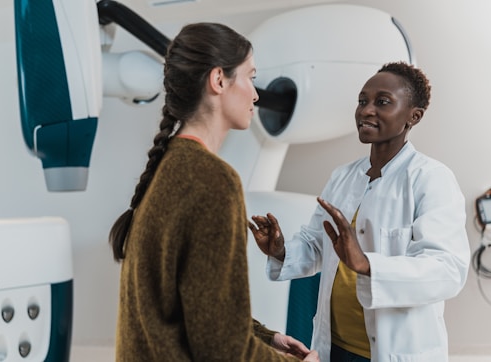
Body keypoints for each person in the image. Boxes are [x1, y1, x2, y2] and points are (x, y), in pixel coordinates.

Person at [108, 22, 320, 362]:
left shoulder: (169, 166)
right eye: (250, 77)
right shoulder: (214, 181)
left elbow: (201, 310)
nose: (256, 94)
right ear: (218, 80)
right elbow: (223, 349)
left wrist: (268, 337)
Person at [249, 61, 470, 362]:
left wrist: (368, 265)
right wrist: (281, 250)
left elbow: (447, 270)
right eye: (362, 101)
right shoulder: (343, 177)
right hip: (333, 347)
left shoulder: (431, 179)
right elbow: (316, 245)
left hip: (393, 352)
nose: (366, 110)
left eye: (382, 102)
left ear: (413, 116)